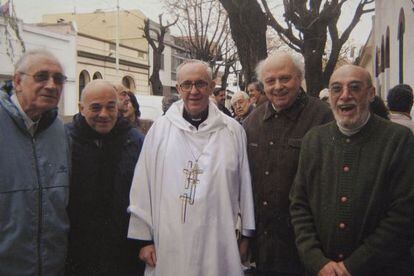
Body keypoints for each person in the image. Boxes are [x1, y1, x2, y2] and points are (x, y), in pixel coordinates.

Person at [128, 59, 255, 276]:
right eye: (187, 84)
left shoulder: (232, 131)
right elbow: (142, 184)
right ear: (178, 89)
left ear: (212, 86)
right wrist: (144, 239)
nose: (193, 91)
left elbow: (244, 186)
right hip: (169, 239)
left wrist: (246, 236)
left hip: (218, 239)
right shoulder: (160, 130)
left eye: (201, 84)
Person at [290, 65, 414, 276]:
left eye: (355, 87)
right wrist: (316, 260)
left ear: (371, 93)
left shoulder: (399, 140)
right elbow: (299, 204)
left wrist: (353, 266)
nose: (344, 95)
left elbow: (404, 214)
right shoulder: (314, 139)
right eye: (336, 89)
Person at [243, 51, 333, 275]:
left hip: (306, 246)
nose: (277, 86)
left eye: (285, 78)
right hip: (263, 246)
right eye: (270, 81)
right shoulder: (251, 122)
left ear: (299, 77)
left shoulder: (323, 118)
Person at [0, 49, 70, 275]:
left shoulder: (59, 131)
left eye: (59, 79)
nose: (51, 85)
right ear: (18, 82)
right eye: (41, 76)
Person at [65, 80, 145, 275]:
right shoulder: (64, 139)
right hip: (77, 252)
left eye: (110, 107)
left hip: (125, 251)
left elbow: (147, 194)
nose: (104, 114)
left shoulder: (134, 140)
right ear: (81, 108)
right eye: (96, 107)